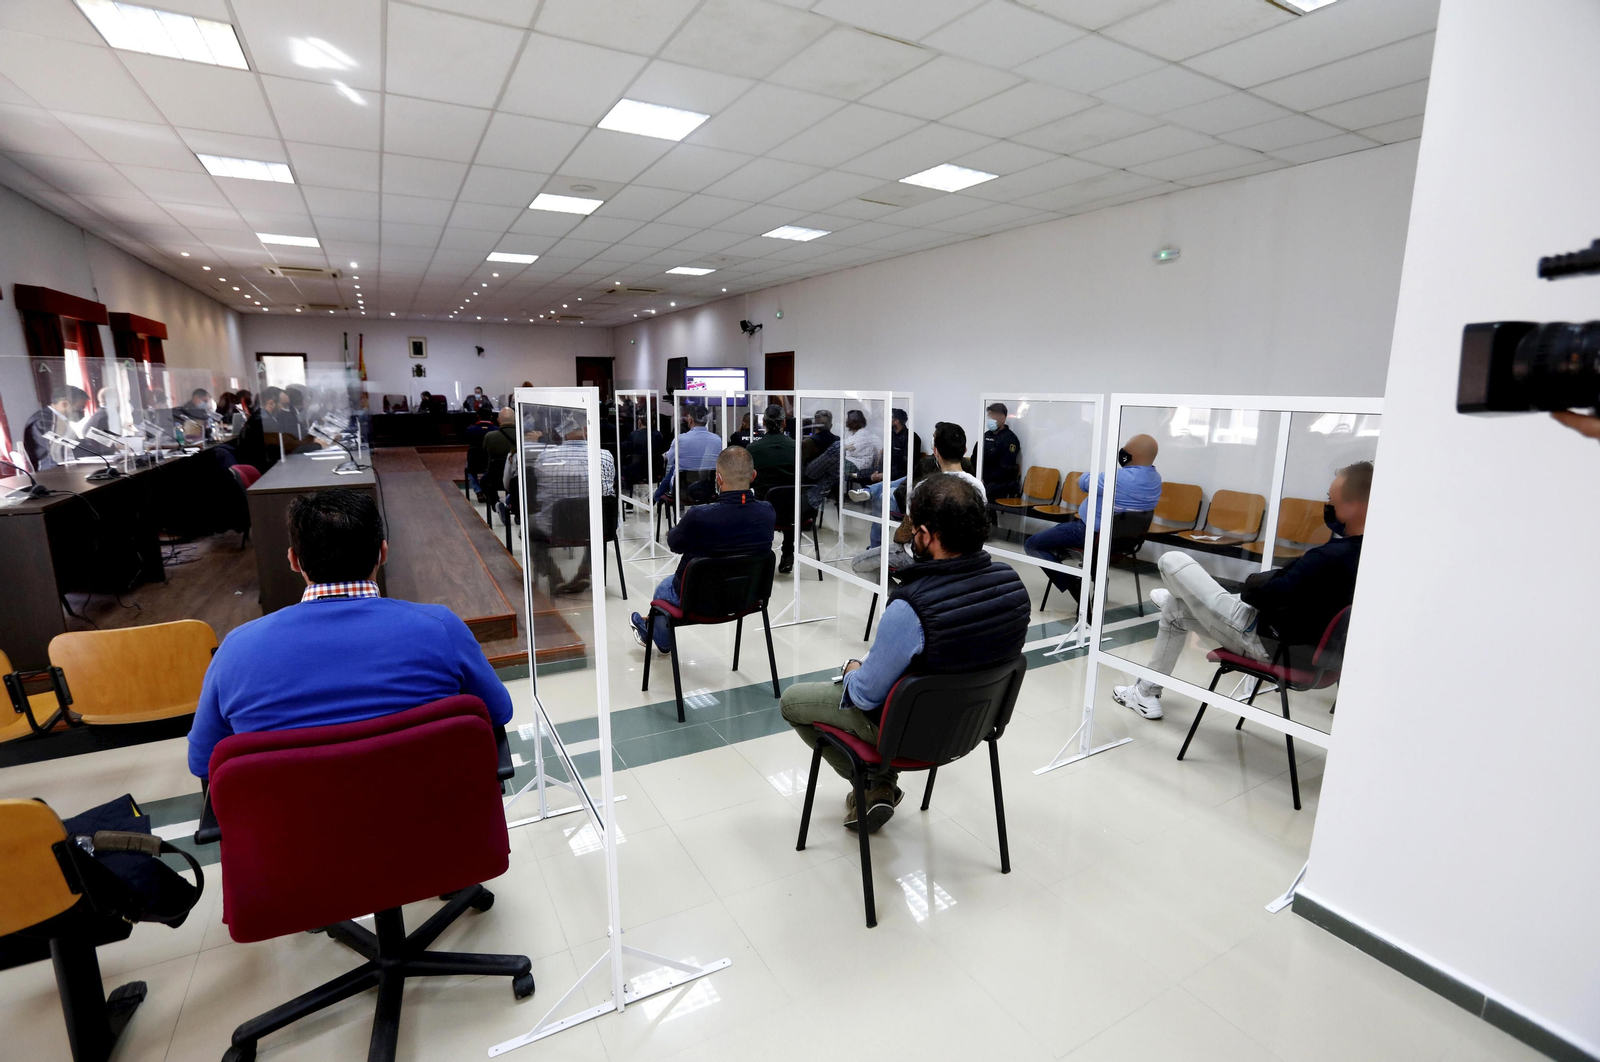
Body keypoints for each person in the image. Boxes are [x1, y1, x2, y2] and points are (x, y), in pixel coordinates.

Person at [186, 489, 513, 777]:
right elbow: (498, 712)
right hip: (435, 832)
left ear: (294, 560)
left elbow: (204, 761)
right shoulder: (440, 627)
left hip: (296, 842)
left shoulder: (237, 649)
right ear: (383, 553)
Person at [781, 474, 1030, 832]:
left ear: (926, 535)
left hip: (909, 732)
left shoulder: (911, 606)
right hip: (972, 726)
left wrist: (852, 670)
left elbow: (866, 696)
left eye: (913, 531)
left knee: (792, 702)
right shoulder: (1012, 585)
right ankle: (879, 785)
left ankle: (875, 784)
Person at [1112, 461, 1373, 720]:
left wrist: (1255, 583)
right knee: (1175, 611)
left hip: (1264, 640)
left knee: (1171, 561)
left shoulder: (1330, 557)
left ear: (1353, 507)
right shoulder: (1373, 558)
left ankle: (1176, 600)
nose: (1326, 506)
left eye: (1331, 501)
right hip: (1310, 656)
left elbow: (1259, 594)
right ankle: (1145, 692)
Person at [631, 445, 775, 652]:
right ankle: (649, 627)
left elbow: (674, 544)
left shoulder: (700, 515)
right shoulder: (768, 513)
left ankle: (657, 635)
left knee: (663, 588)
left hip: (697, 600)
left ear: (719, 479)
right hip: (748, 597)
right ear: (753, 475)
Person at [1023, 433, 1163, 594]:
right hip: (1124, 541)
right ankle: (1095, 578)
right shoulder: (1155, 480)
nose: (1123, 450)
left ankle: (1072, 583)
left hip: (1089, 533)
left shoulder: (1118, 478)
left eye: (1126, 448)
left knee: (1032, 544)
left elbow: (1083, 481)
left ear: (1135, 455)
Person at [851, 421, 983, 575]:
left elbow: (903, 536)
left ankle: (903, 594)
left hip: (922, 558)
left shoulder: (924, 487)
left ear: (936, 451)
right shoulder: (978, 487)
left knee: (858, 564)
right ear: (965, 450)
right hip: (962, 559)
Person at [526, 414, 615, 595]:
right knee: (595, 515)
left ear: (563, 433)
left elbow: (539, 494)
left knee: (528, 527)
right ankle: (585, 570)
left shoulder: (545, 457)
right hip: (600, 526)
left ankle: (553, 574)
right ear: (586, 430)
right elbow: (608, 491)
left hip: (557, 527)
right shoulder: (605, 456)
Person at [748, 405, 800, 571]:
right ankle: (788, 552)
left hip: (763, 509)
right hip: (793, 510)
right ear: (784, 423)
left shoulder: (753, 449)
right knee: (789, 497)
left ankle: (761, 555)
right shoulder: (797, 447)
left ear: (763, 422)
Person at [654, 403, 721, 503]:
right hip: (709, 488)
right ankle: (656, 496)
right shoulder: (718, 440)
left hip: (682, 489)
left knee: (673, 468)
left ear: (690, 419)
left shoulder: (680, 439)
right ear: (707, 420)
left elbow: (671, 461)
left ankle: (657, 497)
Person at [23, 385, 89, 470]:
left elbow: (72, 442)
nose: (82, 412)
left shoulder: (57, 419)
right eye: (80, 408)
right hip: (51, 472)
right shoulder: (42, 421)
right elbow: (59, 448)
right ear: (64, 404)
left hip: (65, 467)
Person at [976, 402, 1022, 500]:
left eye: (993, 418)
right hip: (982, 478)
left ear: (1003, 419)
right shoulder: (985, 436)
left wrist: (985, 479)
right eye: (989, 418)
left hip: (1000, 482)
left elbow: (1005, 468)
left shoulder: (1010, 439)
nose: (990, 421)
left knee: (981, 492)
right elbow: (975, 457)